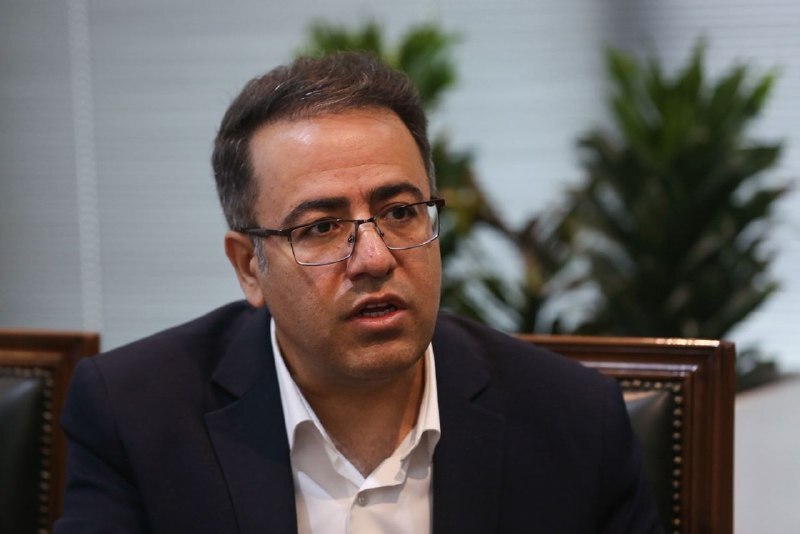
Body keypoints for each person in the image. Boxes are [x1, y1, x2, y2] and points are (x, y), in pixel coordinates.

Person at [55, 52, 661, 533]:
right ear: (248, 267)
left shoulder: (575, 423)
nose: (374, 259)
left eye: (400, 213)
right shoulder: (134, 417)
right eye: (321, 227)